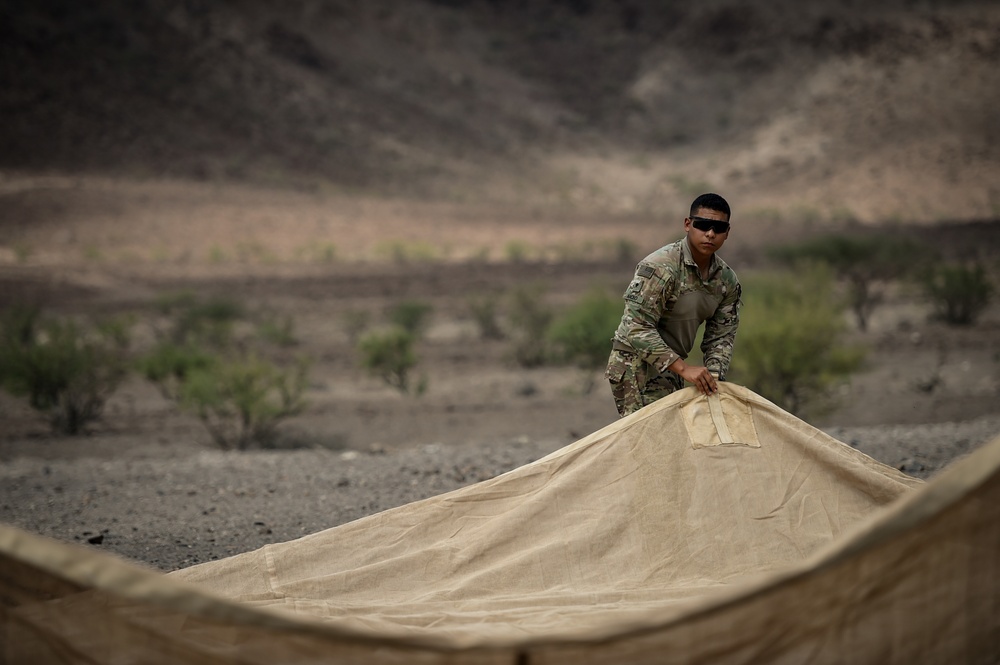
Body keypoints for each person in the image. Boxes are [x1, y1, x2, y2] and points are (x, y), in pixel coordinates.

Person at [605, 192, 741, 417]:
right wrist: (684, 368)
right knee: (652, 440)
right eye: (703, 225)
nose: (710, 233)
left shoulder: (725, 280)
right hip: (636, 365)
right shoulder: (661, 267)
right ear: (688, 224)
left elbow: (721, 335)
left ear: (727, 232)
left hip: (673, 367)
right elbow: (636, 327)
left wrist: (714, 379)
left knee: (671, 441)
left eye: (718, 228)